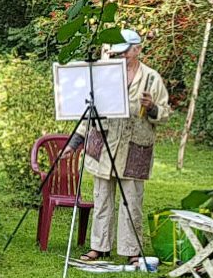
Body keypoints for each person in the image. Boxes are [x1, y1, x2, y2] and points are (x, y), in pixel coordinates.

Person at [62, 29, 171, 265]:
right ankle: (98, 247)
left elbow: (164, 115)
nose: (120, 57)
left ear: (137, 49)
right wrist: (74, 143)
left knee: (131, 200)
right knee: (102, 198)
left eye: (125, 53)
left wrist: (151, 107)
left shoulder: (152, 78)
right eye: (117, 53)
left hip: (134, 148)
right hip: (103, 145)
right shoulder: (105, 75)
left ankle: (131, 249)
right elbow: (89, 110)